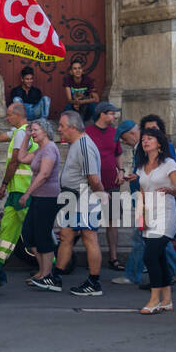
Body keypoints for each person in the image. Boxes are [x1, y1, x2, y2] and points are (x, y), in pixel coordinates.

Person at [116, 114, 176, 289]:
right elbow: (142, 179)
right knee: (152, 243)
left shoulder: (167, 158)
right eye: (145, 134)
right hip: (143, 203)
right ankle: (170, 275)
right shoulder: (143, 158)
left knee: (146, 246)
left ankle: (138, 276)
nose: (147, 139)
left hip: (161, 210)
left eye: (152, 134)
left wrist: (169, 190)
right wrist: (134, 178)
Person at [54, 109, 105, 296]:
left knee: (89, 237)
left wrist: (101, 195)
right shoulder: (77, 144)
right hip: (74, 198)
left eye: (62, 126)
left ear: (73, 127)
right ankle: (56, 275)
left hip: (84, 197)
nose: (59, 129)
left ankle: (94, 282)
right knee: (66, 235)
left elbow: (93, 178)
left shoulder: (84, 145)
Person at [136, 127, 176, 314]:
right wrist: (141, 215)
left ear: (159, 143)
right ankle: (167, 299)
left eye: (150, 138)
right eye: (143, 139)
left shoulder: (169, 164)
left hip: (166, 214)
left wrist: (170, 190)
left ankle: (154, 299)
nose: (145, 141)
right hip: (149, 214)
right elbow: (142, 192)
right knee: (159, 256)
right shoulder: (141, 166)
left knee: (150, 256)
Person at [0, 102, 35, 271]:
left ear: (18, 115)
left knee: (33, 230)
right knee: (7, 228)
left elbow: (14, 162)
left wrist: (3, 184)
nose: (7, 118)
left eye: (9, 115)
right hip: (16, 191)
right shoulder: (20, 132)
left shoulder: (22, 134)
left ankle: (52, 266)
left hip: (22, 191)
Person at [21, 118, 62, 289]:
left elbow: (44, 174)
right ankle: (42, 271)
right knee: (29, 233)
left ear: (45, 131)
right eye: (32, 130)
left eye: (36, 130)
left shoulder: (50, 149)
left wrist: (27, 193)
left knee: (42, 235)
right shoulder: (39, 150)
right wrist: (25, 137)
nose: (33, 133)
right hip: (39, 197)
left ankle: (47, 275)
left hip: (48, 197)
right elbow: (22, 157)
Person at [84, 102, 124, 270]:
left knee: (112, 221)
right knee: (89, 222)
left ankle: (113, 257)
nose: (115, 117)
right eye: (112, 113)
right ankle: (92, 257)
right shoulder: (87, 133)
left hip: (111, 183)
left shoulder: (114, 133)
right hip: (92, 185)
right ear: (102, 114)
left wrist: (121, 171)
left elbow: (119, 153)